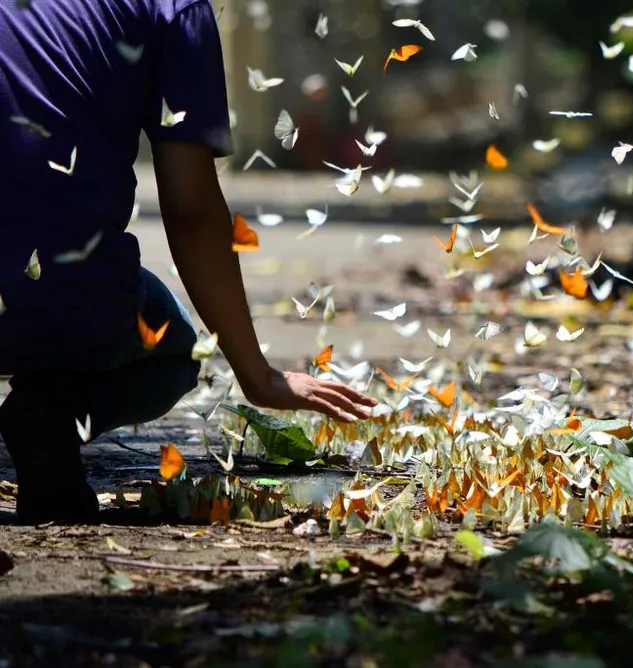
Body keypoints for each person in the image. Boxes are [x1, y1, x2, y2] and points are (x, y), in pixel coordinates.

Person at [0, 0, 377, 524]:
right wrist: (257, 374)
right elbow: (193, 210)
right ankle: (53, 413)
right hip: (52, 295)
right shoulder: (172, 9)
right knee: (175, 349)